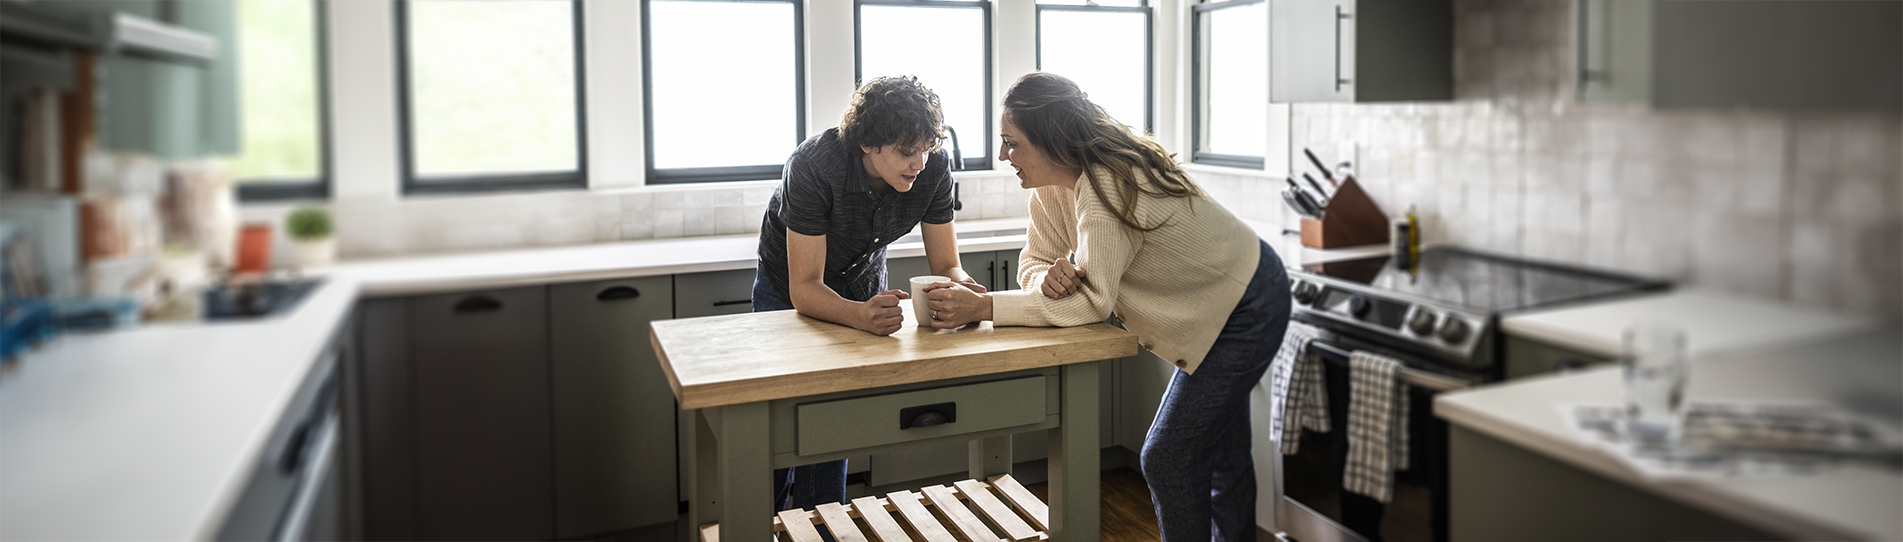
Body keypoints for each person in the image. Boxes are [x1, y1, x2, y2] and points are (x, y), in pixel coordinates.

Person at [923, 72, 1290, 542]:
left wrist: (983, 307)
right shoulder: (1049, 187)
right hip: (1227, 299)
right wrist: (1048, 277)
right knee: (1221, 455)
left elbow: (1092, 303)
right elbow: (1034, 261)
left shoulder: (1106, 185)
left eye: (1011, 143)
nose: (1002, 156)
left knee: (1169, 455)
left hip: (1246, 304)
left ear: (1050, 140)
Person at [752, 75, 986, 518]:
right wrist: (860, 317)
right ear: (867, 143)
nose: (919, 162)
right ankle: (766, 523)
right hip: (787, 288)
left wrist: (966, 289)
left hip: (860, 282)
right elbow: (805, 288)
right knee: (778, 425)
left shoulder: (932, 168)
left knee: (831, 421)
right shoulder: (814, 165)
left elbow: (947, 265)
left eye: (926, 148)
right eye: (905, 151)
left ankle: (821, 525)